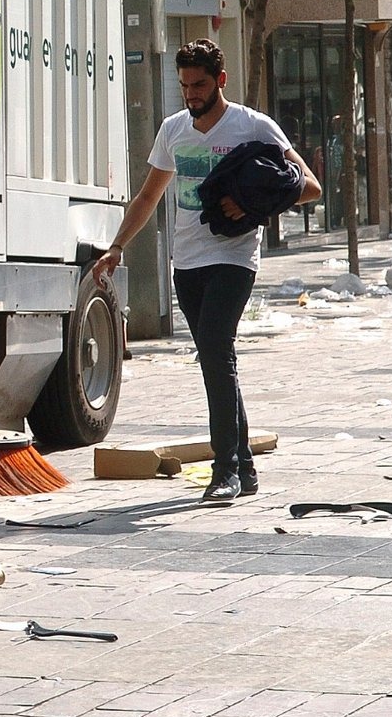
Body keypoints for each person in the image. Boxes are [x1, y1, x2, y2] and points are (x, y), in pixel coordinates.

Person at [91, 39, 320, 503]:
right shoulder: (174, 130)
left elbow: (309, 186)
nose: (191, 94)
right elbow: (148, 197)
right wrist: (117, 246)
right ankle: (247, 467)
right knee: (216, 361)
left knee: (217, 351)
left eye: (198, 84)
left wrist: (252, 202)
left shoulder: (254, 127)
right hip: (188, 262)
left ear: (220, 80)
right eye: (184, 86)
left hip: (234, 259)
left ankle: (226, 470)